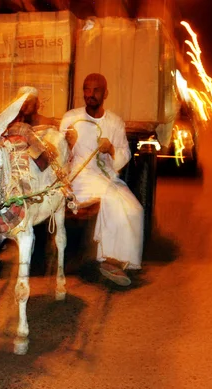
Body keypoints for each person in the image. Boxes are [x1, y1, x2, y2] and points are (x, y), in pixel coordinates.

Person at [60, 73, 144, 286]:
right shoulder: (71, 118)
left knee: (135, 209)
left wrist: (111, 149)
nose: (91, 94)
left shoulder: (115, 122)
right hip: (79, 177)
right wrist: (67, 145)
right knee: (111, 200)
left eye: (96, 90)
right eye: (87, 89)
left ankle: (126, 259)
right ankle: (108, 258)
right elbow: (57, 156)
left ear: (105, 93)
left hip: (106, 176)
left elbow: (124, 154)